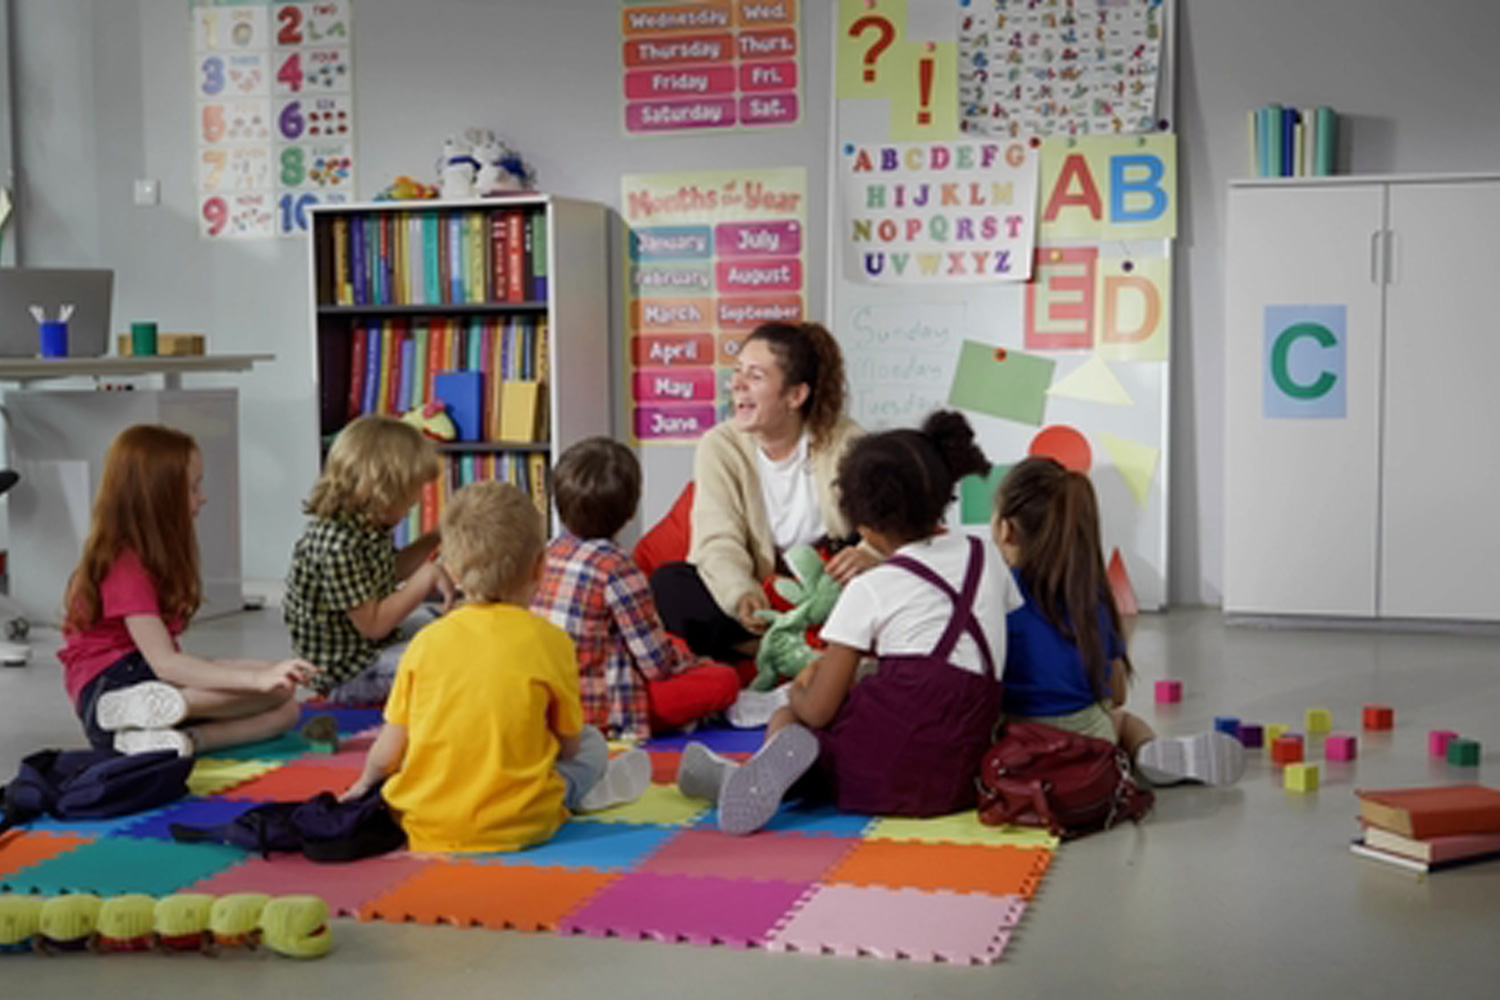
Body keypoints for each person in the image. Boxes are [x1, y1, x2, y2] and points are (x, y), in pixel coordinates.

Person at [678, 411, 1018, 834]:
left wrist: (799, 691)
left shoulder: (871, 587)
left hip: (881, 773)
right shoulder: (984, 556)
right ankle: (736, 778)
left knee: (787, 721)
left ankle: (743, 780)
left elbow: (819, 710)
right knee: (867, 694)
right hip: (959, 775)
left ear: (863, 527)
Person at [340, 481, 651, 853]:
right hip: (524, 820)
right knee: (592, 743)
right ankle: (579, 796)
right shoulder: (551, 642)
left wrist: (363, 786)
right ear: (540, 567)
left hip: (422, 822)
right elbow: (569, 747)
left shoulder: (424, 643)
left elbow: (389, 749)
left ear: (451, 572)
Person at [59, 425, 317, 756]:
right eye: (193, 488)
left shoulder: (146, 555)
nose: (203, 497)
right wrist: (257, 680)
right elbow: (166, 663)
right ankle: (152, 710)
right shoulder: (124, 565)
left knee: (286, 709)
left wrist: (273, 668)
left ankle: (181, 741)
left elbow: (175, 663)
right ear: (159, 497)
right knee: (273, 693)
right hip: (110, 693)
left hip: (144, 689)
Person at [993, 457, 1244, 786]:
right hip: (1091, 741)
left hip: (1017, 743)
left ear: (1005, 529)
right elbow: (1117, 693)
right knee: (1123, 720)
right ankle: (1148, 752)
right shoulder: (1090, 597)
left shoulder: (995, 594)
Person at [651, 321, 879, 663]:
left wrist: (869, 553)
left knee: (878, 569)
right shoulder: (720, 446)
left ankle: (802, 646)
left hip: (828, 587)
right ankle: (771, 649)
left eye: (755, 376)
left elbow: (887, 525)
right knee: (668, 583)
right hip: (763, 593)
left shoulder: (846, 441)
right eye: (737, 371)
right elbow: (716, 540)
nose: (737, 384)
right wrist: (740, 594)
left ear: (795, 396)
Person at [531, 438, 741, 742]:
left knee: (673, 644)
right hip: (601, 712)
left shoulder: (546, 553)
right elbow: (655, 665)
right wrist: (692, 663)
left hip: (546, 704)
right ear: (630, 511)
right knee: (723, 680)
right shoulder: (618, 568)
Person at [284, 415, 454, 704]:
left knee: (454, 629)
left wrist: (436, 536)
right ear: (384, 490)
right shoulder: (337, 543)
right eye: (412, 491)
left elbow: (390, 572)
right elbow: (374, 624)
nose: (416, 502)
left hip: (371, 648)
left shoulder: (365, 527)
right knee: (447, 660)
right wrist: (425, 578)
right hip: (349, 673)